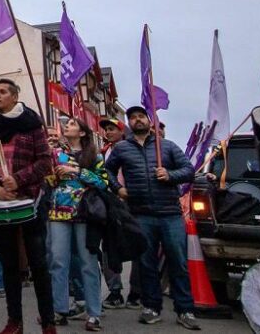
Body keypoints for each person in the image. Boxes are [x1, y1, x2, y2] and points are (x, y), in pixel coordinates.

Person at [0, 79, 55, 334]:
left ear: (15, 96)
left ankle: (48, 322)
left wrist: (18, 180)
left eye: (3, 92)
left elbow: (44, 162)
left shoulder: (32, 124)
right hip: (2, 203)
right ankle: (14, 321)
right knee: (9, 265)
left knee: (38, 264)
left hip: (30, 200)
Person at [104, 106, 200, 330]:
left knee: (178, 262)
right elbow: (105, 171)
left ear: (149, 121)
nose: (137, 120)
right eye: (133, 118)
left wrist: (170, 175)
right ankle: (151, 307)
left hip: (170, 214)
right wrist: (118, 188)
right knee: (146, 264)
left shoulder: (166, 146)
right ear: (129, 123)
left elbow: (188, 170)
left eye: (141, 116)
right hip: (140, 214)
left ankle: (185, 308)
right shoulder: (121, 149)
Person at [47, 117, 109, 330]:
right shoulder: (56, 154)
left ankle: (93, 312)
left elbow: (104, 182)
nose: (67, 126)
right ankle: (59, 309)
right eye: (67, 124)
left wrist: (76, 171)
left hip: (85, 212)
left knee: (88, 262)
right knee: (58, 261)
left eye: (72, 124)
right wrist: (52, 174)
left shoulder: (95, 155)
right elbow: (49, 182)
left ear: (82, 132)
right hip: (58, 212)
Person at [97, 117, 136, 309]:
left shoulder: (132, 150)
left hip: (130, 202)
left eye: (112, 129)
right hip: (110, 203)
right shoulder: (104, 152)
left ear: (123, 132)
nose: (108, 132)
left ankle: (136, 292)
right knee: (109, 247)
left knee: (135, 245)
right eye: (107, 129)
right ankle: (114, 291)